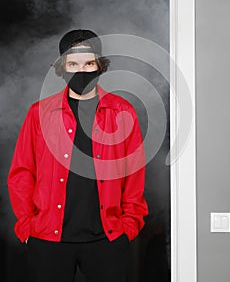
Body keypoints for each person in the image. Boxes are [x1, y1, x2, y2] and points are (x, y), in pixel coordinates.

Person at [7, 29, 148, 282]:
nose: (81, 71)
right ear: (62, 67)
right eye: (73, 64)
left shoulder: (122, 111)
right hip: (48, 238)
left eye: (88, 63)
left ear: (99, 66)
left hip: (108, 238)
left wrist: (129, 226)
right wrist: (27, 225)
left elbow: (134, 174)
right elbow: (21, 173)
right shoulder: (39, 112)